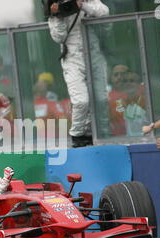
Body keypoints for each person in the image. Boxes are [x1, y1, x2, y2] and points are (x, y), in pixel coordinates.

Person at [48, 0, 110, 147]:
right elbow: (58, 37)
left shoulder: (88, 1)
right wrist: (58, 16)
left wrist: (82, 5)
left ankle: (95, 132)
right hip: (72, 58)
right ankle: (77, 135)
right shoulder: (56, 7)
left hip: (94, 55)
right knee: (81, 101)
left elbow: (104, 12)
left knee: (101, 99)